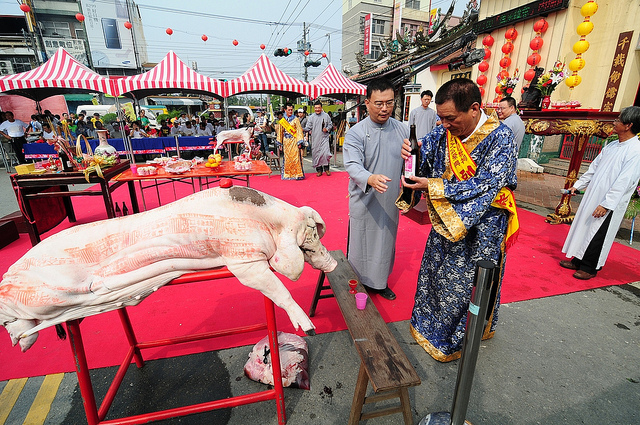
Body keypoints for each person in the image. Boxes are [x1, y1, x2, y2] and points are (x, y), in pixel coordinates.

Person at [401, 78, 518, 362]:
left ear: (475, 109)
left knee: (465, 284)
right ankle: (427, 326)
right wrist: (412, 152)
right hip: (446, 218)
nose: (443, 124)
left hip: (484, 224)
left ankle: (457, 338)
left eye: (449, 118)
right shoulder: (445, 132)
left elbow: (485, 185)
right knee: (434, 273)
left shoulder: (502, 138)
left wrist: (434, 187)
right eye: (440, 118)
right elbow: (423, 150)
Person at [343, 78, 408, 301]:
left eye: (389, 103)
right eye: (379, 103)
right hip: (364, 198)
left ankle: (380, 283)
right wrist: (369, 178)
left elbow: (413, 161)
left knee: (385, 241)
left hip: (389, 198)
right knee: (360, 241)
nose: (384, 108)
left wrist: (413, 157)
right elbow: (352, 164)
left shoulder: (402, 129)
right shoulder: (356, 132)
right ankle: (358, 283)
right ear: (367, 103)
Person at [560, 106, 640, 280]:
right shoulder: (612, 145)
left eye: (618, 120)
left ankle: (589, 267)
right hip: (594, 193)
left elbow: (624, 182)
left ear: (628, 125)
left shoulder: (635, 151)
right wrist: (579, 184)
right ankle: (578, 258)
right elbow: (594, 168)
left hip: (610, 200)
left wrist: (606, 204)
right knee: (585, 226)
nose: (615, 122)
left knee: (598, 232)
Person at [276, 103, 305, 180]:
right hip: (286, 141)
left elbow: (299, 131)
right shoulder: (283, 121)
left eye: (291, 110)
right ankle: (288, 174)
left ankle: (297, 174)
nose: (290, 111)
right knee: (287, 158)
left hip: (294, 140)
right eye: (289, 110)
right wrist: (280, 143)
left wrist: (299, 142)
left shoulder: (296, 119)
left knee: (295, 157)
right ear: (285, 110)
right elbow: (280, 132)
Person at [304, 100, 333, 176]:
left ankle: (327, 169)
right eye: (316, 108)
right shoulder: (311, 117)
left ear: (321, 108)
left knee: (325, 154)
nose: (317, 109)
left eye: (319, 108)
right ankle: (319, 170)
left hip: (324, 138)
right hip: (315, 138)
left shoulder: (326, 116)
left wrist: (326, 129)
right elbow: (308, 127)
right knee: (316, 154)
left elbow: (330, 125)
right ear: (314, 108)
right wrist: (301, 129)